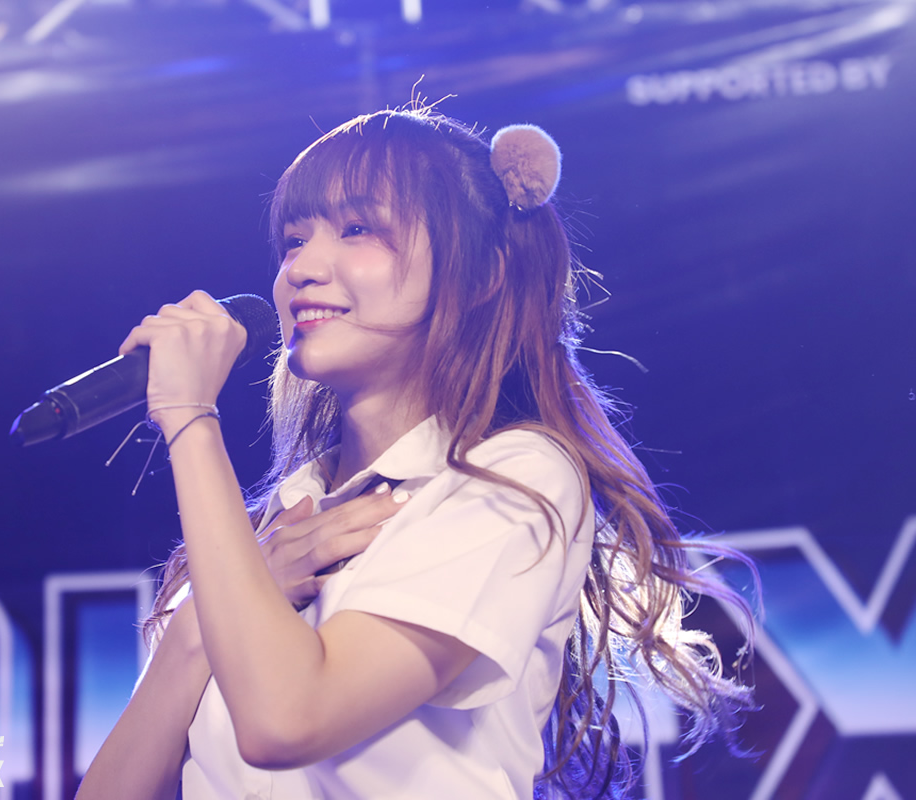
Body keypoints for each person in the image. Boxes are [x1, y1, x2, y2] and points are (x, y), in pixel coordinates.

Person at [76, 107, 754, 800]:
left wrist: (191, 418)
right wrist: (194, 628)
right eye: (293, 241)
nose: (301, 268)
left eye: (358, 230)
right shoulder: (270, 533)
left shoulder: (512, 478)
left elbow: (287, 720)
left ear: (480, 273)